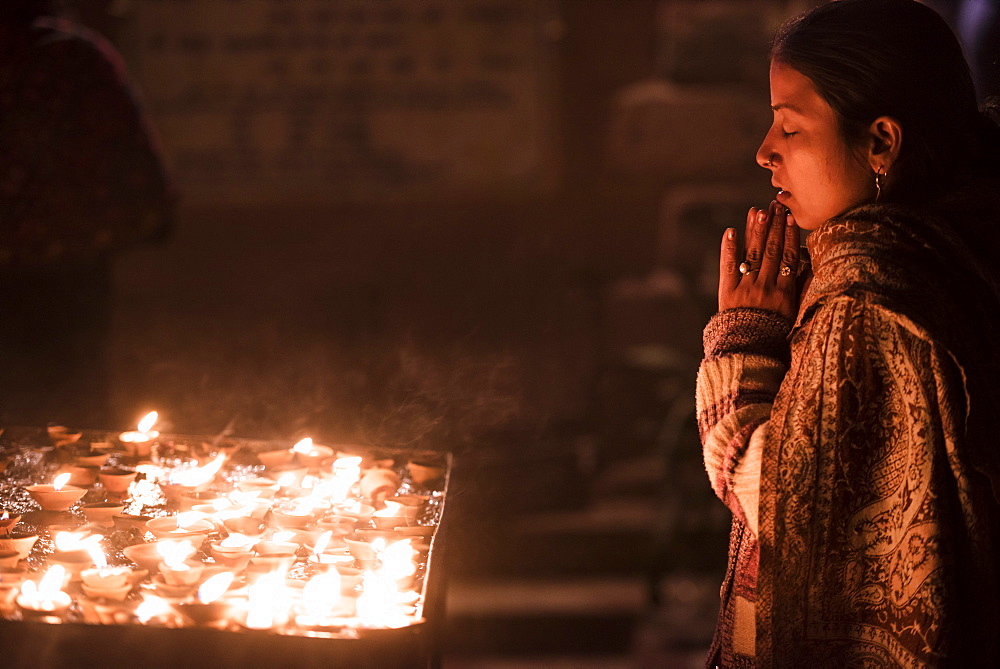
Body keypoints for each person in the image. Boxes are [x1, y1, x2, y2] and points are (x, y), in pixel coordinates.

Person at [695, 0, 1000, 665]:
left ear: (881, 142)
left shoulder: (867, 301)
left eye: (790, 128)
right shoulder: (962, 247)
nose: (764, 152)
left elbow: (789, 513)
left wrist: (741, 346)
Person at [0, 0, 176, 429]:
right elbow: (141, 187)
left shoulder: (72, 59)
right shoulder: (72, 59)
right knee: (65, 428)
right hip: (65, 283)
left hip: (61, 288)